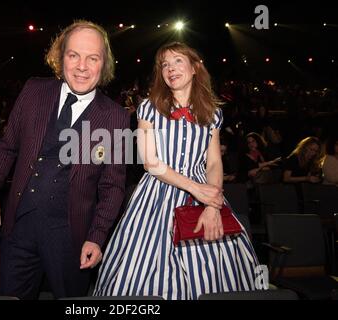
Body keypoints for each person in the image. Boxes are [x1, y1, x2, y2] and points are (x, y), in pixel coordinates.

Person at [93, 42, 261, 300]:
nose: (170, 69)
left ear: (195, 68)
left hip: (205, 195)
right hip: (156, 195)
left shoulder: (213, 112)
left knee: (214, 275)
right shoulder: (149, 107)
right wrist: (197, 190)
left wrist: (213, 205)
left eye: (177, 61)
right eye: (164, 65)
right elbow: (150, 162)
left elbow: (214, 163)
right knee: (143, 270)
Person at [0, 20, 129, 299]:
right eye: (74, 55)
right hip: (19, 227)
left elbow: (112, 187)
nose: (82, 66)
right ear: (61, 58)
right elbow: (8, 146)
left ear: (104, 64)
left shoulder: (116, 117)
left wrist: (97, 236)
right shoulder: (34, 90)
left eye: (92, 58)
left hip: (71, 237)